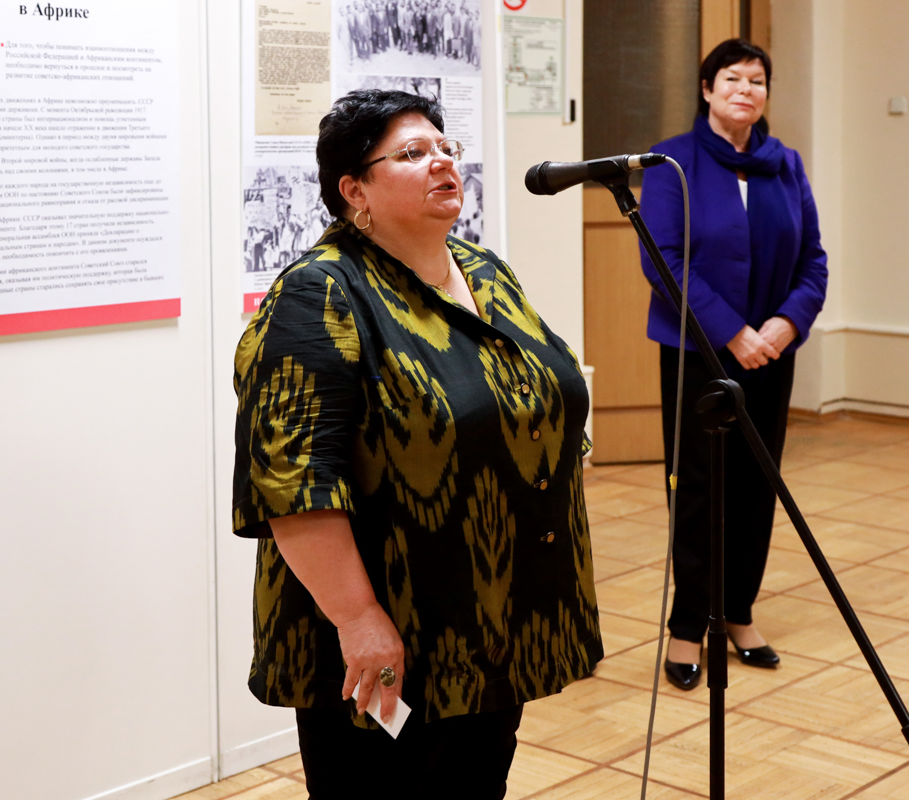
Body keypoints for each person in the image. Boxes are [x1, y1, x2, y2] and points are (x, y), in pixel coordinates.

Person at [231, 89, 602, 798]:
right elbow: (292, 485)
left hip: (493, 618)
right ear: (354, 190)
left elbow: (536, 390)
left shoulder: (483, 271)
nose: (442, 163)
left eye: (444, 148)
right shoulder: (320, 296)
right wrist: (359, 620)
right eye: (411, 154)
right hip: (392, 632)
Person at [639, 39, 828, 691]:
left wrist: (785, 323)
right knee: (699, 490)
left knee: (756, 485)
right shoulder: (672, 162)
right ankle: (689, 625)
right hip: (699, 353)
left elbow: (813, 260)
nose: (746, 90)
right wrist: (732, 332)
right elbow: (664, 260)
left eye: (757, 80)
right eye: (732, 78)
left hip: (771, 353)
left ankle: (739, 613)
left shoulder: (786, 165)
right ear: (707, 89)